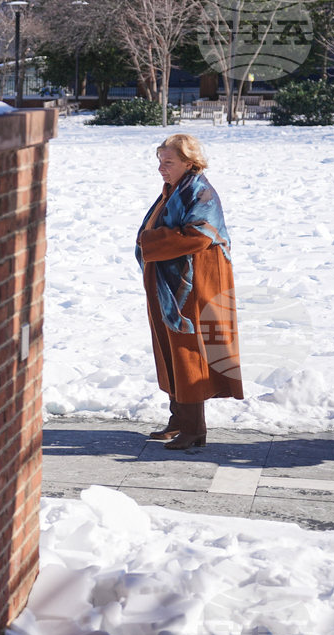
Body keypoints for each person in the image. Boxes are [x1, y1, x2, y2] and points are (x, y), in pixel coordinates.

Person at [134, 134, 244, 450]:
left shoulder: (200, 192)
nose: (161, 168)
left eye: (168, 162)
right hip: (170, 281)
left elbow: (197, 236)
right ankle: (179, 418)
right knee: (169, 347)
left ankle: (195, 429)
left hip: (196, 282)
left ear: (188, 162)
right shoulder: (175, 190)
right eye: (159, 161)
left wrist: (150, 243)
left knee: (187, 349)